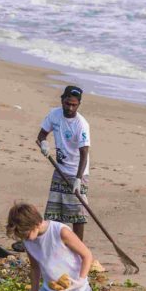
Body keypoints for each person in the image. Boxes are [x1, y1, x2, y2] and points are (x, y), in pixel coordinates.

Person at [6, 201, 98, 291]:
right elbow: (35, 269)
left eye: (27, 233)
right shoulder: (28, 241)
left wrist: (80, 281)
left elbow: (87, 255)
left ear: (36, 223)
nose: (27, 238)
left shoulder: (61, 232)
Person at [36, 85, 90, 240]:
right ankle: (51, 242)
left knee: (77, 213)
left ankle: (78, 247)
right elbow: (41, 134)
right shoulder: (54, 115)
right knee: (54, 211)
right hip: (60, 170)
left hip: (77, 172)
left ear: (78, 104)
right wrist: (44, 144)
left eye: (74, 105)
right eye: (67, 103)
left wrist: (78, 180)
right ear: (62, 100)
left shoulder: (81, 124)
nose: (70, 108)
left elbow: (84, 152)